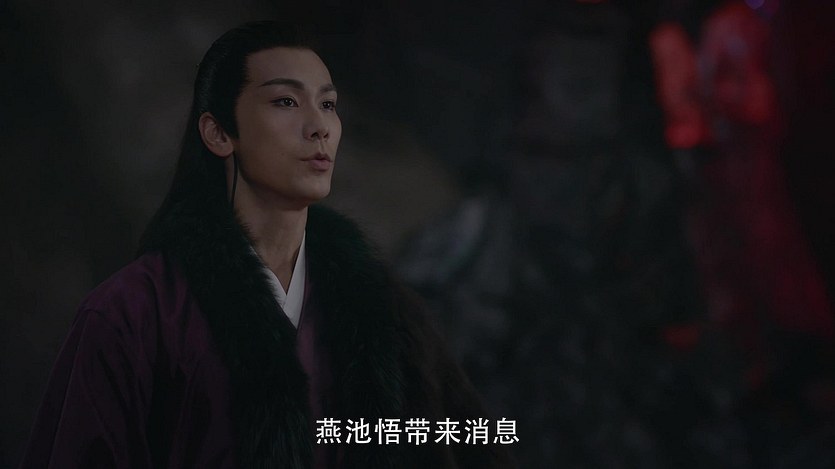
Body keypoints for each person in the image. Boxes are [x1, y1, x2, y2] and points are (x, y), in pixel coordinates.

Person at [20, 21, 512, 469]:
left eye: (327, 104)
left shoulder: (382, 304)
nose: (319, 126)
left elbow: (470, 441)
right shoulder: (133, 312)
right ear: (218, 132)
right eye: (285, 102)